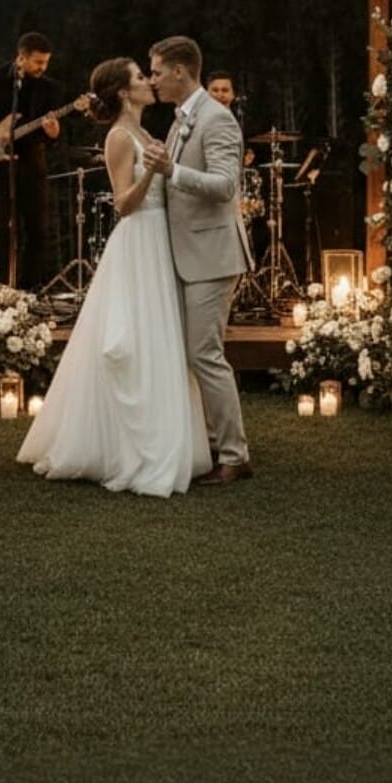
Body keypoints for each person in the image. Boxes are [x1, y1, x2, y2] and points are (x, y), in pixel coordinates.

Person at [18, 58, 211, 495]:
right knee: (132, 339)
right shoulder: (120, 137)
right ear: (124, 91)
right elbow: (124, 203)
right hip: (137, 240)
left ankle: (164, 432)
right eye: (141, 77)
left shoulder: (146, 134)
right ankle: (123, 445)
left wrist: (165, 168)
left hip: (159, 241)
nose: (148, 81)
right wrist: (154, 173)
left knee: (160, 337)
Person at [143, 36, 255, 483]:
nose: (152, 80)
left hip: (212, 254)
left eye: (155, 72)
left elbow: (226, 186)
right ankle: (212, 444)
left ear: (178, 72)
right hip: (188, 252)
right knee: (196, 354)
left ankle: (234, 456)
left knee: (206, 354)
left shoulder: (217, 119)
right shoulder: (180, 120)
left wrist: (172, 171)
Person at [0, 32, 64, 290]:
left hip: (31, 164)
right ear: (21, 57)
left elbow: (52, 137)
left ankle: (28, 292)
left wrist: (52, 133)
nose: (43, 68)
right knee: (1, 231)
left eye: (46, 62)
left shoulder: (48, 88)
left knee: (38, 231)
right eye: (38, 62)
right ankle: (1, 290)